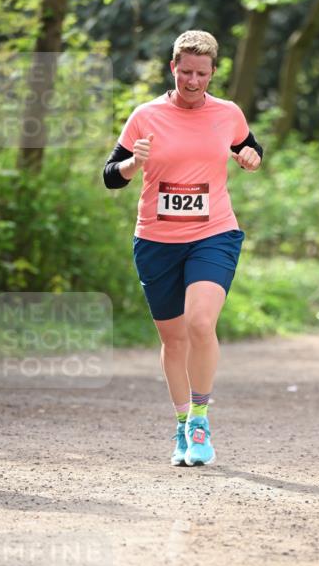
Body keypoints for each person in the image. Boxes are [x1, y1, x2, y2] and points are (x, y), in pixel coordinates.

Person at [103, 30, 263, 466]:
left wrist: (251, 158)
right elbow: (110, 175)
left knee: (199, 322)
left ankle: (200, 420)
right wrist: (134, 163)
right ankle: (180, 426)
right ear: (173, 68)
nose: (194, 81)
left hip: (214, 233)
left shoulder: (227, 113)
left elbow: (248, 147)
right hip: (156, 240)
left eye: (203, 74)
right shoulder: (146, 115)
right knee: (174, 340)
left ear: (213, 73)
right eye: (186, 72)